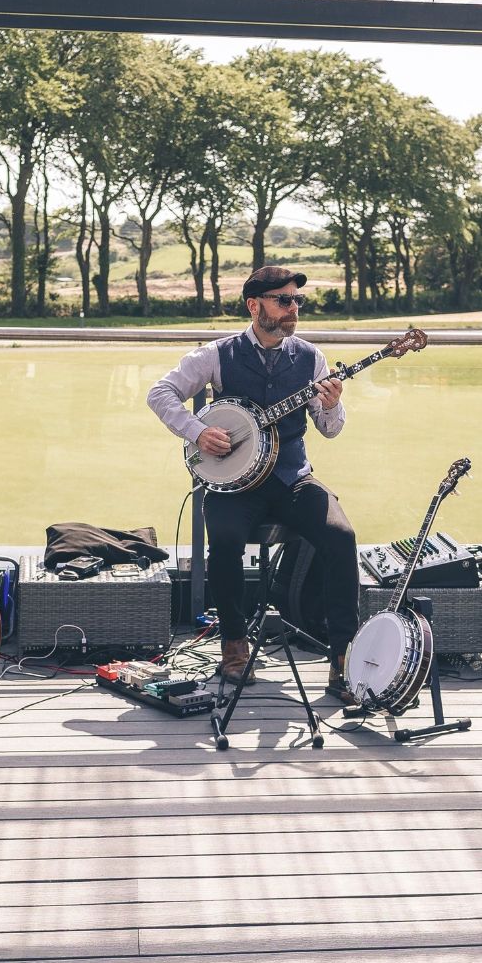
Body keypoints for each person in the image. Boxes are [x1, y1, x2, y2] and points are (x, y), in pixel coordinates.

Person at [147, 266, 360, 701]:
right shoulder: (216, 354)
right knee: (224, 539)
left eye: (297, 301)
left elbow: (330, 429)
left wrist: (334, 407)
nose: (293, 309)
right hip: (234, 484)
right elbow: (161, 393)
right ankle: (234, 647)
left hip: (293, 478)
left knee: (342, 537)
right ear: (254, 305)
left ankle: (343, 657)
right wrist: (196, 431)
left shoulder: (310, 357)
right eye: (283, 300)